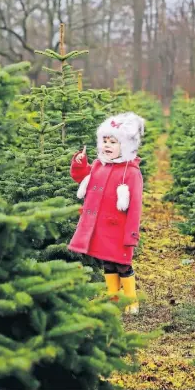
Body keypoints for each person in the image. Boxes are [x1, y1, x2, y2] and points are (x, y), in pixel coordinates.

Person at [68, 112, 145, 315]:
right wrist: (80, 163)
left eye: (113, 142)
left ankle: (131, 300)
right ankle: (113, 297)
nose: (107, 145)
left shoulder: (131, 172)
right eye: (105, 141)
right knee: (108, 263)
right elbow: (82, 178)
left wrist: (131, 235)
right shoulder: (99, 165)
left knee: (123, 264)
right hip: (101, 228)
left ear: (126, 146)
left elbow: (135, 206)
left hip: (119, 230)